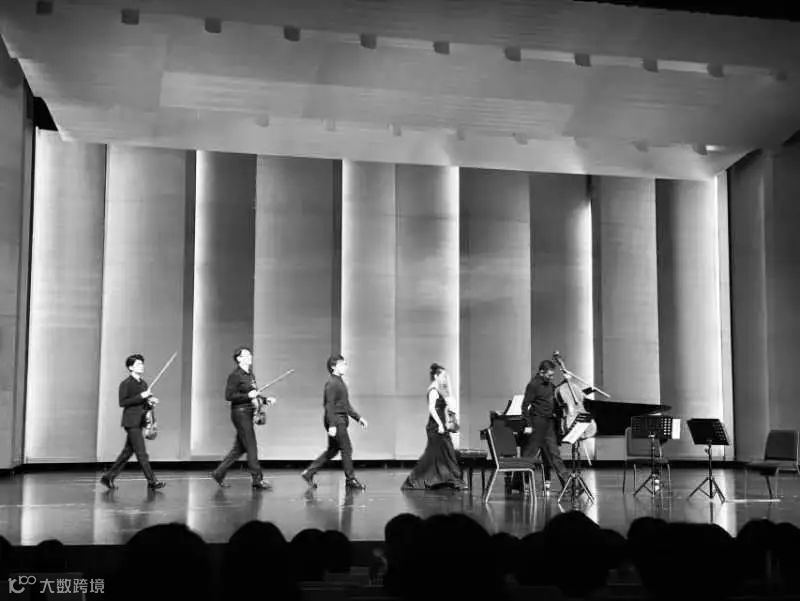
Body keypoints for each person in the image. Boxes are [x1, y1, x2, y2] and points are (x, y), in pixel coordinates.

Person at [211, 346, 273, 490]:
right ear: (239, 359)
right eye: (247, 355)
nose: (250, 357)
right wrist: (247, 396)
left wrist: (265, 400)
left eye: (250, 354)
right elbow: (229, 396)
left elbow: (254, 394)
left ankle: (218, 473)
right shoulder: (235, 375)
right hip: (240, 413)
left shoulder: (250, 375)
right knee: (251, 446)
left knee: (239, 449)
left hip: (248, 412)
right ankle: (257, 479)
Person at [301, 354, 367, 490]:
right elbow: (329, 405)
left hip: (338, 420)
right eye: (342, 364)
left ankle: (309, 472)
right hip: (336, 420)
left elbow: (345, 405)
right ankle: (350, 479)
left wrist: (358, 418)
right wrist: (332, 425)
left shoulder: (339, 382)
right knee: (346, 448)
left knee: (332, 450)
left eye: (345, 364)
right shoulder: (332, 383)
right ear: (333, 367)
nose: (345, 366)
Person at [100, 354, 165, 490]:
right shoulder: (126, 384)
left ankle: (108, 477)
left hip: (139, 421)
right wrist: (142, 396)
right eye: (138, 364)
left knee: (127, 453)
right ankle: (152, 481)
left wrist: (150, 401)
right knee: (142, 454)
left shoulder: (144, 384)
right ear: (130, 367)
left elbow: (143, 403)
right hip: (131, 422)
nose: (142, 366)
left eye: (142, 364)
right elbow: (123, 402)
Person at [401, 363, 463, 490]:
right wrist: (440, 424)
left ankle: (448, 479)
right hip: (435, 427)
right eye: (443, 376)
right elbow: (432, 409)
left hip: (440, 425)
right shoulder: (433, 390)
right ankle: (416, 480)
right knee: (436, 454)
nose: (444, 378)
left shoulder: (440, 389)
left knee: (442, 454)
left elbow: (449, 403)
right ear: (436, 376)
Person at [521, 359, 569, 489]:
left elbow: (557, 391)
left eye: (553, 375)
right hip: (537, 422)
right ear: (541, 372)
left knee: (555, 454)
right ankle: (520, 484)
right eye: (549, 375)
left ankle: (568, 485)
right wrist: (528, 424)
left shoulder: (549, 384)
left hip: (548, 423)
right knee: (529, 455)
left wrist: (566, 381)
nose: (551, 378)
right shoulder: (533, 385)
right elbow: (525, 406)